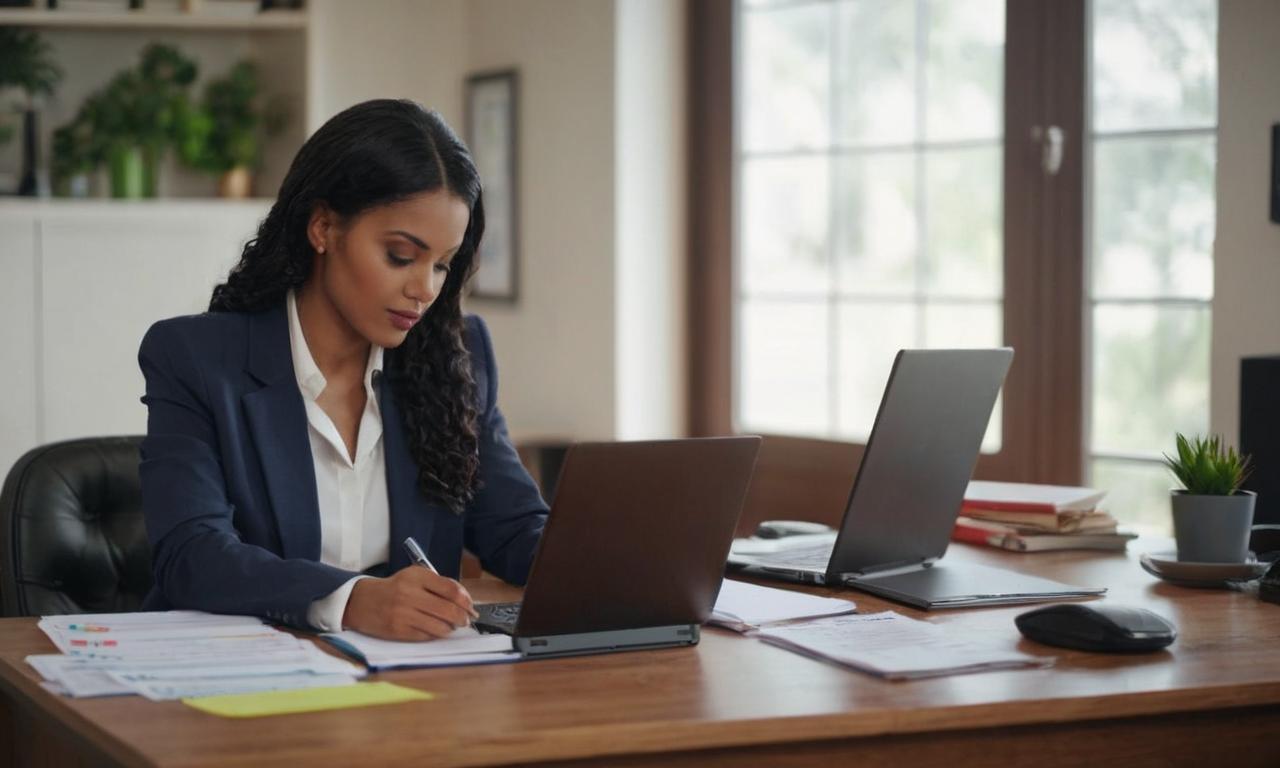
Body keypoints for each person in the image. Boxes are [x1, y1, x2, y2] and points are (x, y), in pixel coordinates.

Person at [137, 99, 547, 641]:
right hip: (238, 685)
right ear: (324, 227)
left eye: (443, 264)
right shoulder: (196, 358)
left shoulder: (456, 359)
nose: (425, 288)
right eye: (401, 255)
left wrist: (638, 565)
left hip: (412, 686)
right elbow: (193, 556)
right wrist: (351, 600)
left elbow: (515, 529)